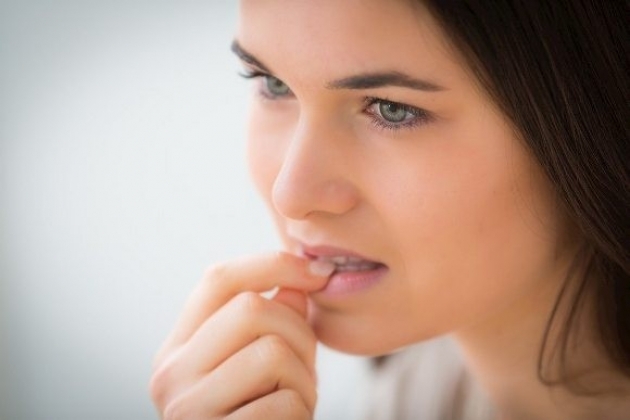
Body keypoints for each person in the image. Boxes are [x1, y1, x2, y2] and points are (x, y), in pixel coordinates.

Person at [149, 1, 630, 419]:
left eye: (390, 109)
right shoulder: (409, 396)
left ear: (588, 122)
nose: (291, 194)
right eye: (273, 85)